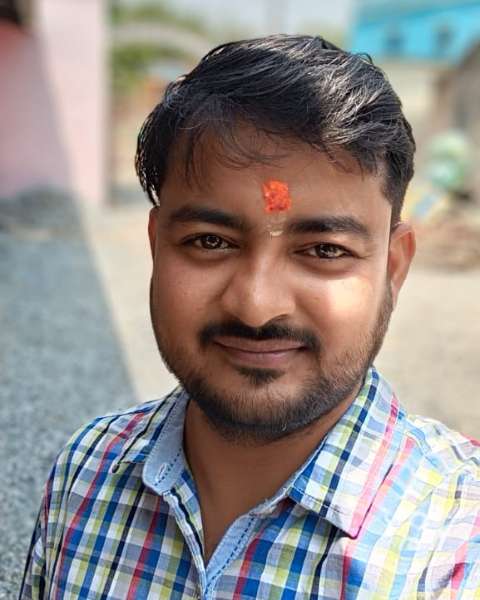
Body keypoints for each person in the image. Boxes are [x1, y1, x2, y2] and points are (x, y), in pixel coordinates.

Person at [20, 35, 480, 599]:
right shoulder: (86, 474)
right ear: (156, 246)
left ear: (393, 268)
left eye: (325, 250)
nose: (257, 306)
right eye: (210, 241)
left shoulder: (457, 545)